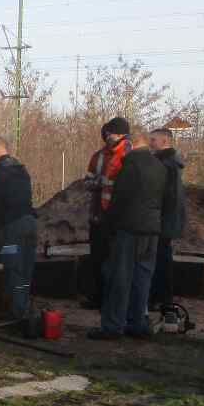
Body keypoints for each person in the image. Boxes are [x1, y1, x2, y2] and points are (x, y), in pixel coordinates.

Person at [89, 128, 166, 340]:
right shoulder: (160, 166)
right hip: (152, 229)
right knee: (142, 278)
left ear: (132, 144)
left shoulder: (130, 166)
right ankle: (137, 323)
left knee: (119, 278)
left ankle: (113, 326)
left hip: (129, 229)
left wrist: (108, 225)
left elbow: (119, 200)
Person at [0, 137, 37, 321]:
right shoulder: (22, 170)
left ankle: (17, 313)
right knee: (26, 268)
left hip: (12, 230)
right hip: (31, 224)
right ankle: (24, 305)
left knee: (13, 268)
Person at [83, 117, 132, 308]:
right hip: (99, 215)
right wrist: (99, 183)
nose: (108, 137)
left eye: (111, 133)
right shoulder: (99, 156)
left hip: (119, 217)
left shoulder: (129, 155)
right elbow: (87, 181)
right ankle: (97, 297)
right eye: (107, 133)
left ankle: (112, 300)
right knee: (97, 257)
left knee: (115, 261)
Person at [149, 128, 186, 309]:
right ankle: (161, 297)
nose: (150, 143)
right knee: (162, 258)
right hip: (166, 218)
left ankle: (161, 298)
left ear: (164, 141)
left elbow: (166, 196)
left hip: (163, 218)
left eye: (153, 140)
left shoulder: (166, 164)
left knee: (160, 259)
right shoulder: (171, 162)